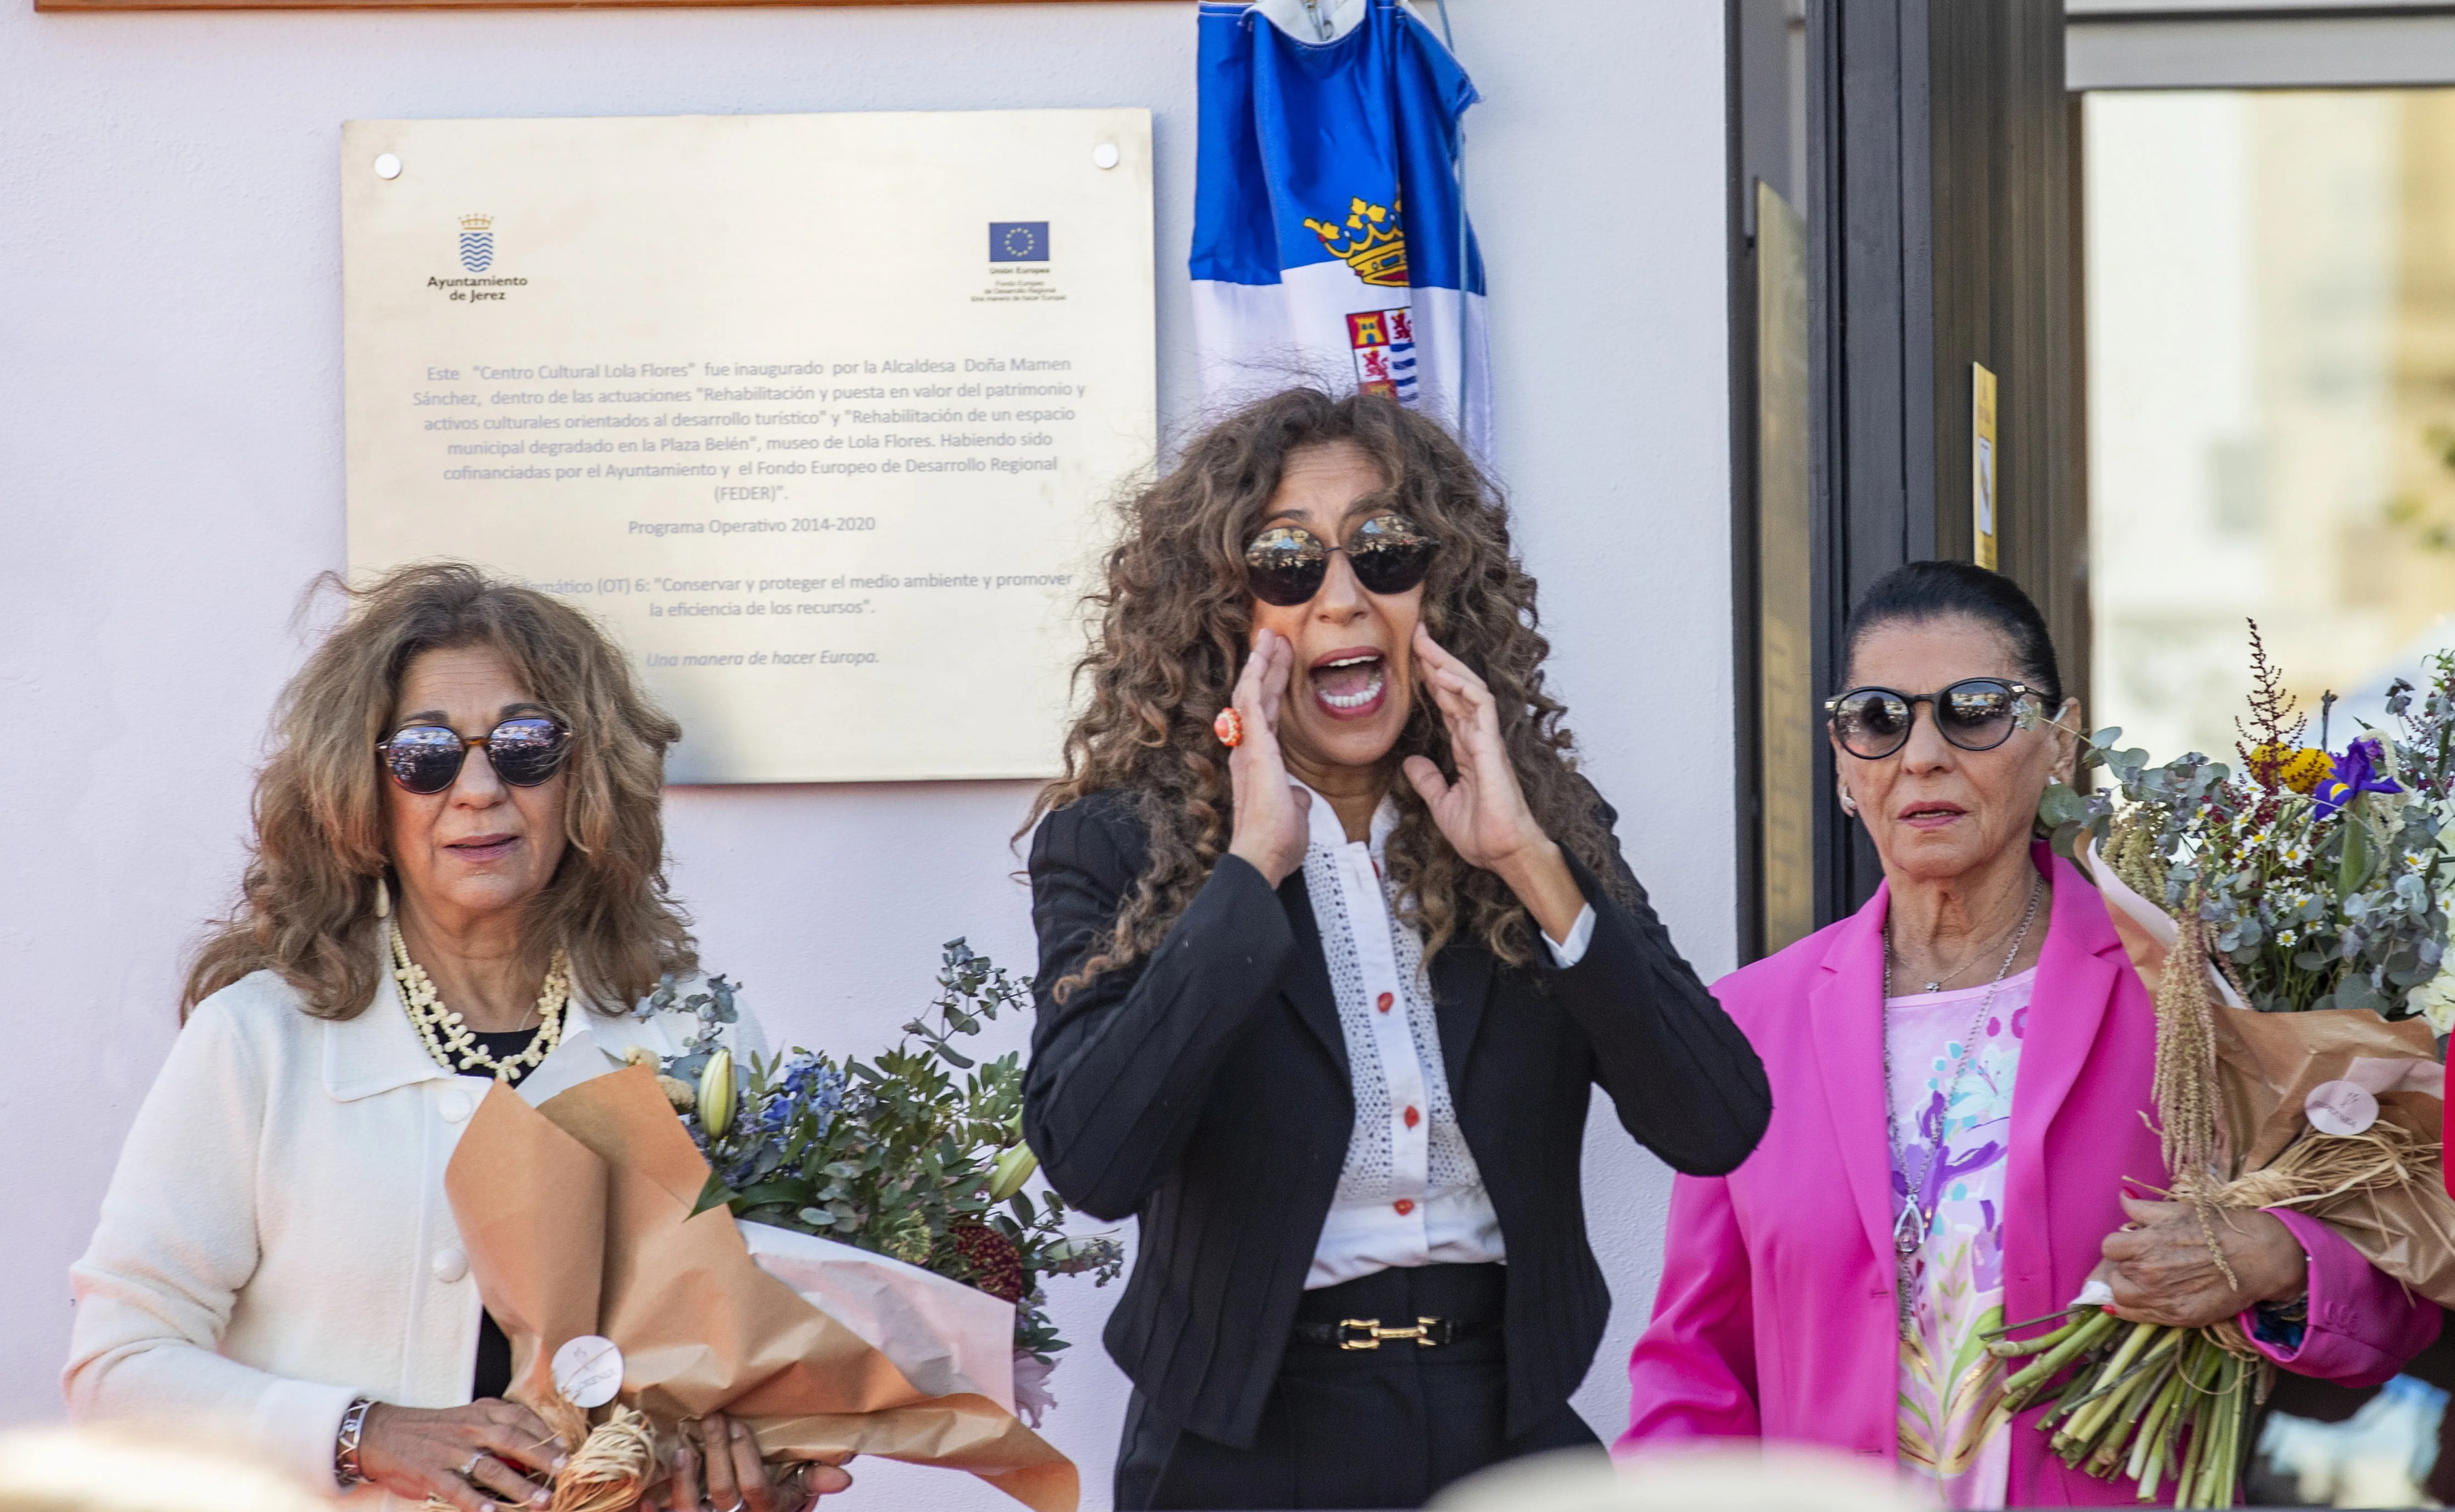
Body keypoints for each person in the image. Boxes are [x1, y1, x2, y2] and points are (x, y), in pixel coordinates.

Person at [1020, 389, 1773, 1510]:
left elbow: (1717, 1121)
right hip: (1241, 1444)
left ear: (1437, 584)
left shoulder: (1537, 828)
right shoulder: (1116, 843)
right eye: (1286, 561)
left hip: (1503, 1421)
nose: (1341, 598)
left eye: (1382, 549)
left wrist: (1526, 859)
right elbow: (1092, 1162)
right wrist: (1248, 875)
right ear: (1222, 608)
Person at [1620, 560, 2443, 1506]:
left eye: (1974, 709)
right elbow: (1695, 1367)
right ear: (1846, 763)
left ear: (2060, 743)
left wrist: (2276, 1259)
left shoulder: (2179, 996)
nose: (1922, 754)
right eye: (1879, 718)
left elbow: (2395, 1302)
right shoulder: (1751, 1024)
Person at [64, 564, 846, 1512]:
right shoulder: (261, 1038)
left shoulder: (695, 1027)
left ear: (585, 775)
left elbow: (764, 1355)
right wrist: (362, 1432)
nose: (476, 787)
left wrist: (753, 1476)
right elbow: (117, 1370)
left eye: (524, 745)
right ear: (363, 787)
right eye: (425, 753)